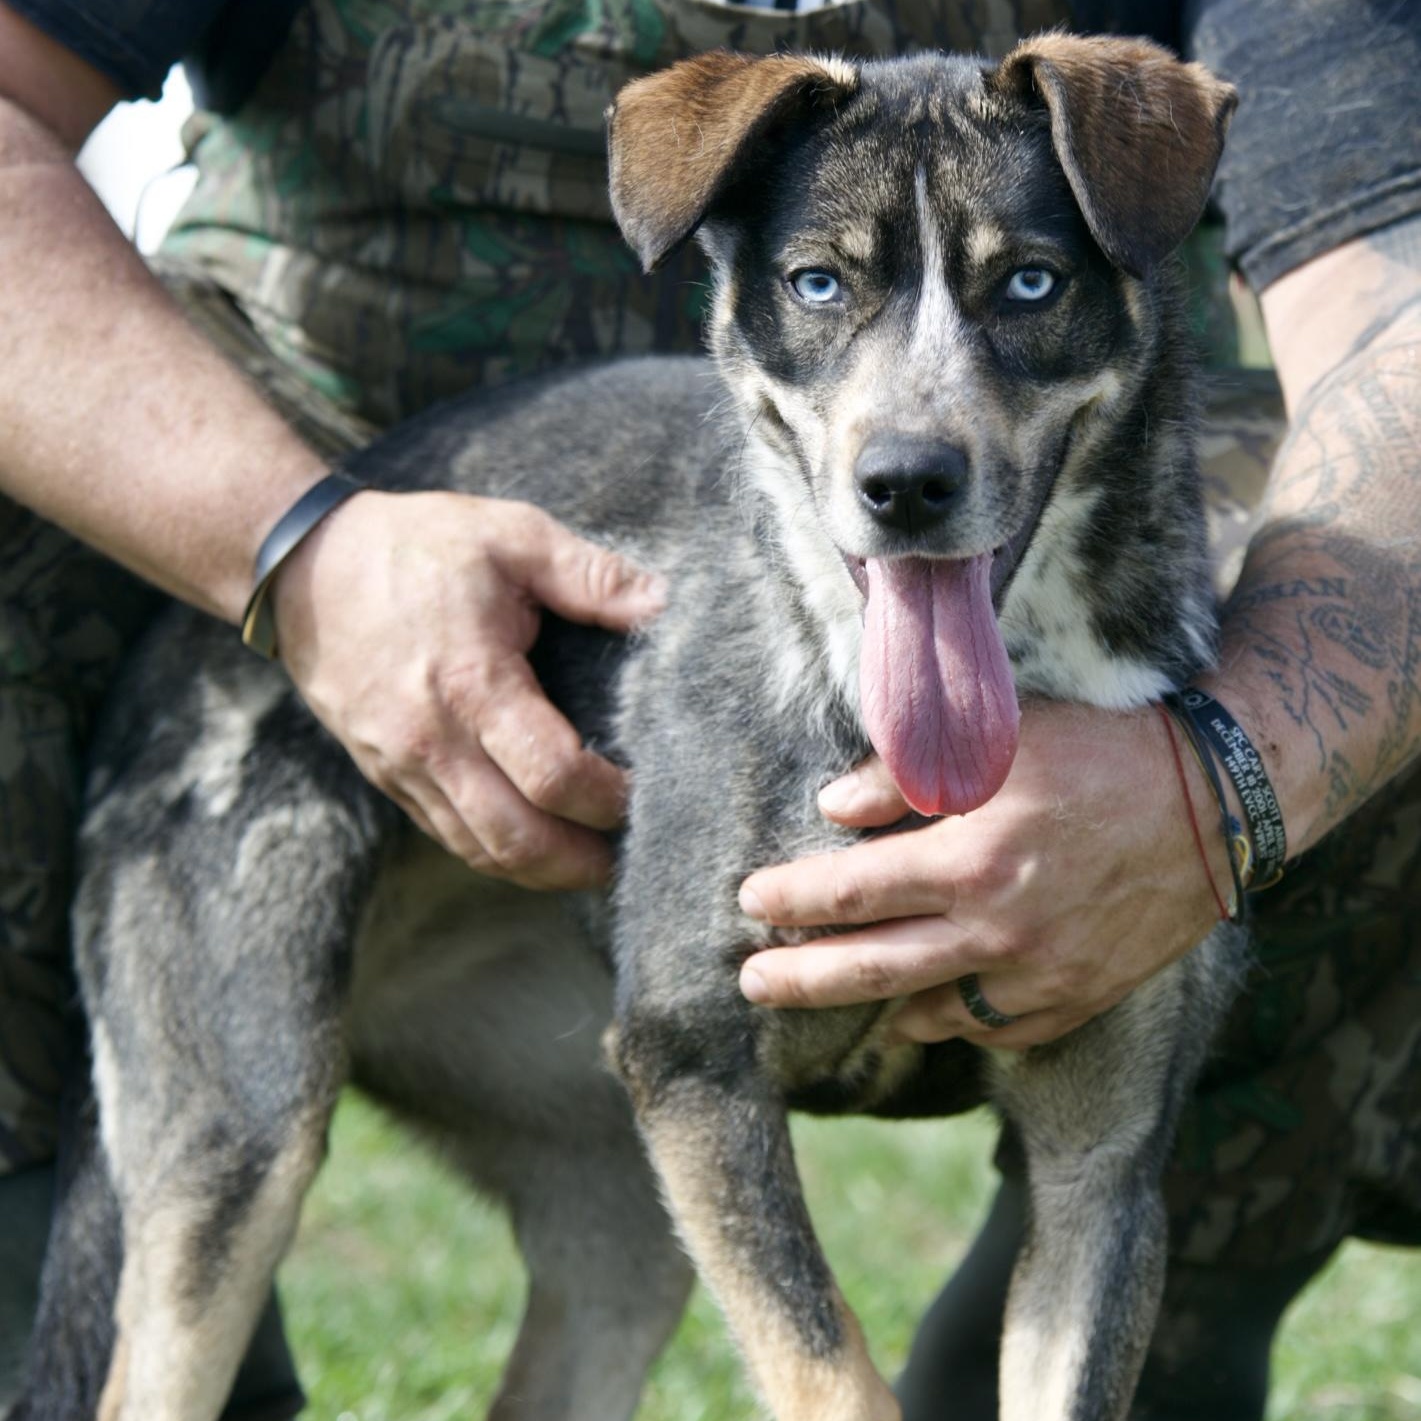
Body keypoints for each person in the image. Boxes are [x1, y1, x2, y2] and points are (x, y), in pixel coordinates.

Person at [0, 0, 1415, 1416]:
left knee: (1365, 617)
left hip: (943, 598)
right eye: (822, 284)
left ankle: (1131, 1349)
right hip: (305, 513)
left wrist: (1229, 772)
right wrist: (296, 550)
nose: (907, 421)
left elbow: (1400, 305)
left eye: (1023, 286)